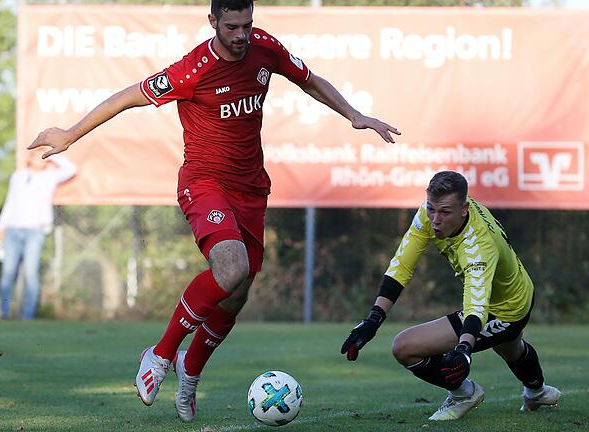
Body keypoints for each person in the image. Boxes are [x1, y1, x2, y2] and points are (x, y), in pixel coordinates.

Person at [27, 0, 400, 423]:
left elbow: (309, 80)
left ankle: (190, 371)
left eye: (247, 25)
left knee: (237, 293)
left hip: (251, 190)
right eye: (232, 27)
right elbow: (128, 96)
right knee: (230, 267)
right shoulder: (194, 69)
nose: (242, 35)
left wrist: (353, 114)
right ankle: (162, 354)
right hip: (204, 183)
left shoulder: (264, 47)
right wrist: (71, 134)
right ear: (213, 22)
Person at [341, 170, 561, 421]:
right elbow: (402, 265)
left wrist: (464, 349)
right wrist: (373, 319)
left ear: (464, 209)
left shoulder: (478, 246)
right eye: (431, 208)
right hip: (517, 290)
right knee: (510, 348)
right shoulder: (431, 213)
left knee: (404, 347)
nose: (435, 219)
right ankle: (537, 391)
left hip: (506, 308)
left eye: (444, 212)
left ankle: (464, 393)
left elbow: (476, 307)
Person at [0, 151, 76, 320]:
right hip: (13, 230)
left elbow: (71, 169)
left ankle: (27, 315)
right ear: (29, 159)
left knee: (31, 273)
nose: (41, 159)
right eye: (38, 156)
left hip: (35, 231)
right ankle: (4, 312)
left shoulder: (49, 177)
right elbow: (10, 202)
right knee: (8, 272)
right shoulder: (18, 176)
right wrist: (0, 226)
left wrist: (51, 155)